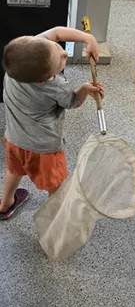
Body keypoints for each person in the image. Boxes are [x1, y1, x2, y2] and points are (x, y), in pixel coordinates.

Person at [0, 27, 104, 221]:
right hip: (44, 151)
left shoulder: (17, 67)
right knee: (56, 185)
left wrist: (87, 38)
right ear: (43, 80)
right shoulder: (55, 86)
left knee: (14, 171)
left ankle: (5, 204)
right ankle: (57, 222)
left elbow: (55, 33)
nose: (64, 52)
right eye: (61, 60)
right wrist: (84, 89)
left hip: (14, 140)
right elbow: (73, 102)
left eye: (57, 47)